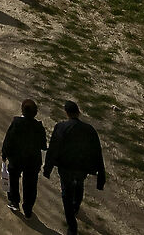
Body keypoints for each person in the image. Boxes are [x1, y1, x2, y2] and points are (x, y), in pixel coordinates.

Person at [44, 101, 108, 235]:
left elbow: (54, 148)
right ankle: (76, 206)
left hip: (65, 167)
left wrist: (47, 168)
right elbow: (97, 152)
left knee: (66, 194)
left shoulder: (61, 127)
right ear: (78, 112)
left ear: (66, 113)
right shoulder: (89, 130)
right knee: (79, 185)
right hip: (82, 168)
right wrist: (100, 175)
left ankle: (72, 227)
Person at [2, 99, 46, 215]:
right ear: (36, 113)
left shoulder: (16, 123)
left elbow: (8, 140)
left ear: (22, 110)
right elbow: (43, 145)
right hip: (32, 161)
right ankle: (28, 208)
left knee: (13, 179)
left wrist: (4, 154)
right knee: (30, 186)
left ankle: (14, 201)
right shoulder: (38, 127)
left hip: (16, 159)